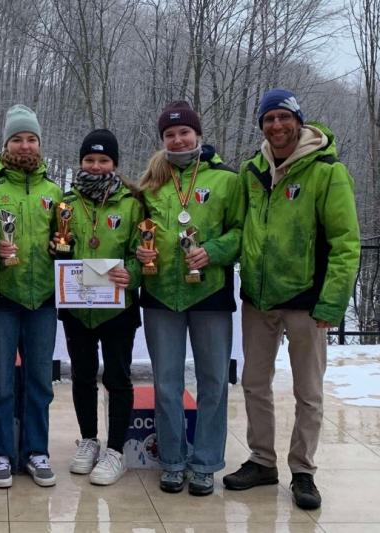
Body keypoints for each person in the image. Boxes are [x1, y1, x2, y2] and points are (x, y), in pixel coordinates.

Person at [223, 88, 360, 510]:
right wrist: (206, 251)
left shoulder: (327, 171)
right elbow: (239, 230)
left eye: (284, 117)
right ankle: (262, 461)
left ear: (298, 121)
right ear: (261, 125)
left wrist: (332, 302)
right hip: (258, 300)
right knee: (254, 384)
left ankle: (303, 470)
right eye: (269, 119)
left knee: (308, 391)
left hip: (307, 301)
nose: (277, 126)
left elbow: (346, 242)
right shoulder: (251, 171)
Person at [136, 101, 244, 496]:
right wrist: (140, 252)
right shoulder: (151, 183)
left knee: (213, 382)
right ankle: (173, 460)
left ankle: (205, 462)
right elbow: (138, 233)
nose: (178, 139)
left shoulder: (226, 180)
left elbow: (241, 232)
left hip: (210, 293)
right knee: (165, 383)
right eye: (170, 134)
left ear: (198, 134)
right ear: (162, 140)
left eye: (184, 132)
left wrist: (212, 251)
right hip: (161, 294)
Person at [58, 129, 143, 486]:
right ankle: (89, 440)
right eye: (89, 160)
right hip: (78, 306)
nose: (95, 166)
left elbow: (144, 252)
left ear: (115, 163)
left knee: (117, 378)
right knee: (81, 374)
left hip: (116, 306)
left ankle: (116, 451)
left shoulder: (132, 203)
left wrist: (133, 274)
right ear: (81, 162)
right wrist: (57, 250)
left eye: (103, 160)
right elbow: (59, 249)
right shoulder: (66, 203)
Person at [0, 105, 61, 489]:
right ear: (6, 144)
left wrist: (63, 246)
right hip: (1, 297)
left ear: (40, 144)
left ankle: (36, 451)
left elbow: (68, 239)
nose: (25, 145)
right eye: (18, 139)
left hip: (42, 299)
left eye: (31, 139)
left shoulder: (54, 190)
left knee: (39, 381)